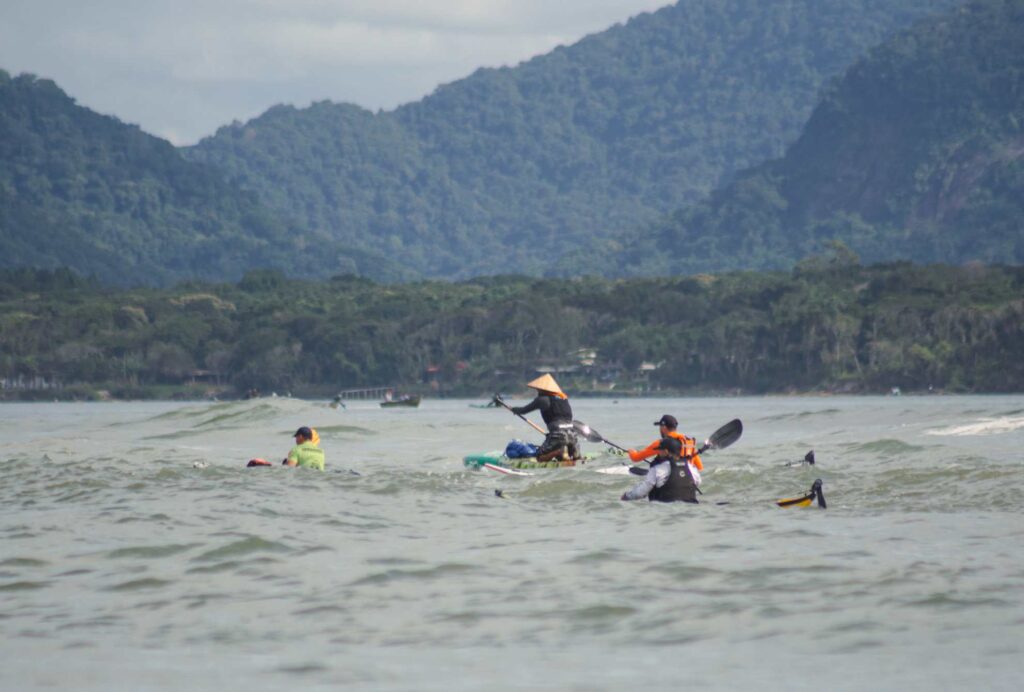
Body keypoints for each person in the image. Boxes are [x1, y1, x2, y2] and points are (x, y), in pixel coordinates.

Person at [510, 374, 580, 462]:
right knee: (569, 457)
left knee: (539, 457)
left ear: (542, 389)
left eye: (538, 389)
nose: (537, 391)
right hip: (573, 434)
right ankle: (574, 453)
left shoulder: (542, 399)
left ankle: (559, 451)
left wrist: (513, 409)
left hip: (557, 434)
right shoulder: (564, 398)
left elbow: (523, 410)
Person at [627, 414, 703, 484]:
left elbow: (636, 458)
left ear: (664, 427)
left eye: (660, 426)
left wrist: (631, 452)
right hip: (689, 481)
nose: (659, 429)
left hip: (670, 483)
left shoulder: (662, 443)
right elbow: (700, 467)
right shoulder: (688, 442)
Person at [620, 436, 698, 503]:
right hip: (690, 505)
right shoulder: (691, 467)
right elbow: (697, 482)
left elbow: (641, 492)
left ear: (666, 451)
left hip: (666, 508)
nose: (658, 452)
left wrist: (626, 496)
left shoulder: (657, 469)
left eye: (660, 450)